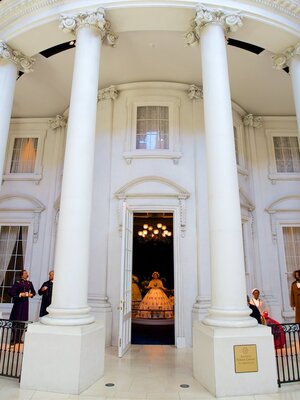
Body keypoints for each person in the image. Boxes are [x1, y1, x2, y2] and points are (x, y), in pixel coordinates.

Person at [8, 269, 36, 345]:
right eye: (25, 273)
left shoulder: (29, 283)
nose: (27, 274)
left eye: (27, 273)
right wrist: (20, 294)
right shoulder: (18, 283)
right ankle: (14, 339)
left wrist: (31, 295)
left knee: (23, 321)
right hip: (18, 304)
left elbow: (34, 292)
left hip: (25, 305)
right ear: (21, 275)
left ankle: (19, 338)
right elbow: (11, 292)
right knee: (16, 321)